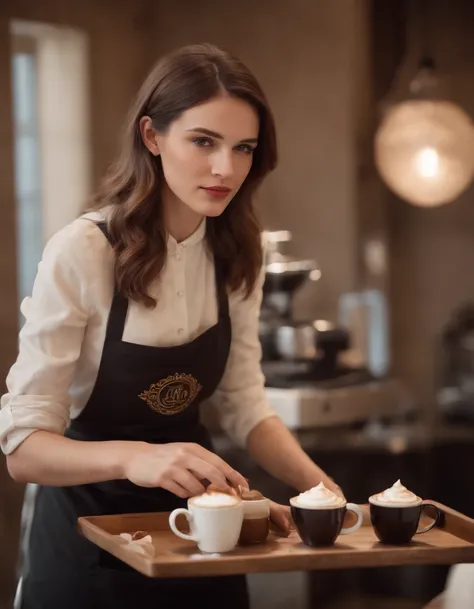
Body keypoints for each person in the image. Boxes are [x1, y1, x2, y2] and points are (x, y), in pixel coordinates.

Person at [1, 43, 342, 609]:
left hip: (202, 531)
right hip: (82, 537)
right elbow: (24, 449)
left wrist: (319, 489)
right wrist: (136, 457)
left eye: (244, 148)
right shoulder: (84, 251)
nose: (225, 168)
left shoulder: (238, 252)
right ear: (152, 137)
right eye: (204, 141)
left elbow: (245, 405)